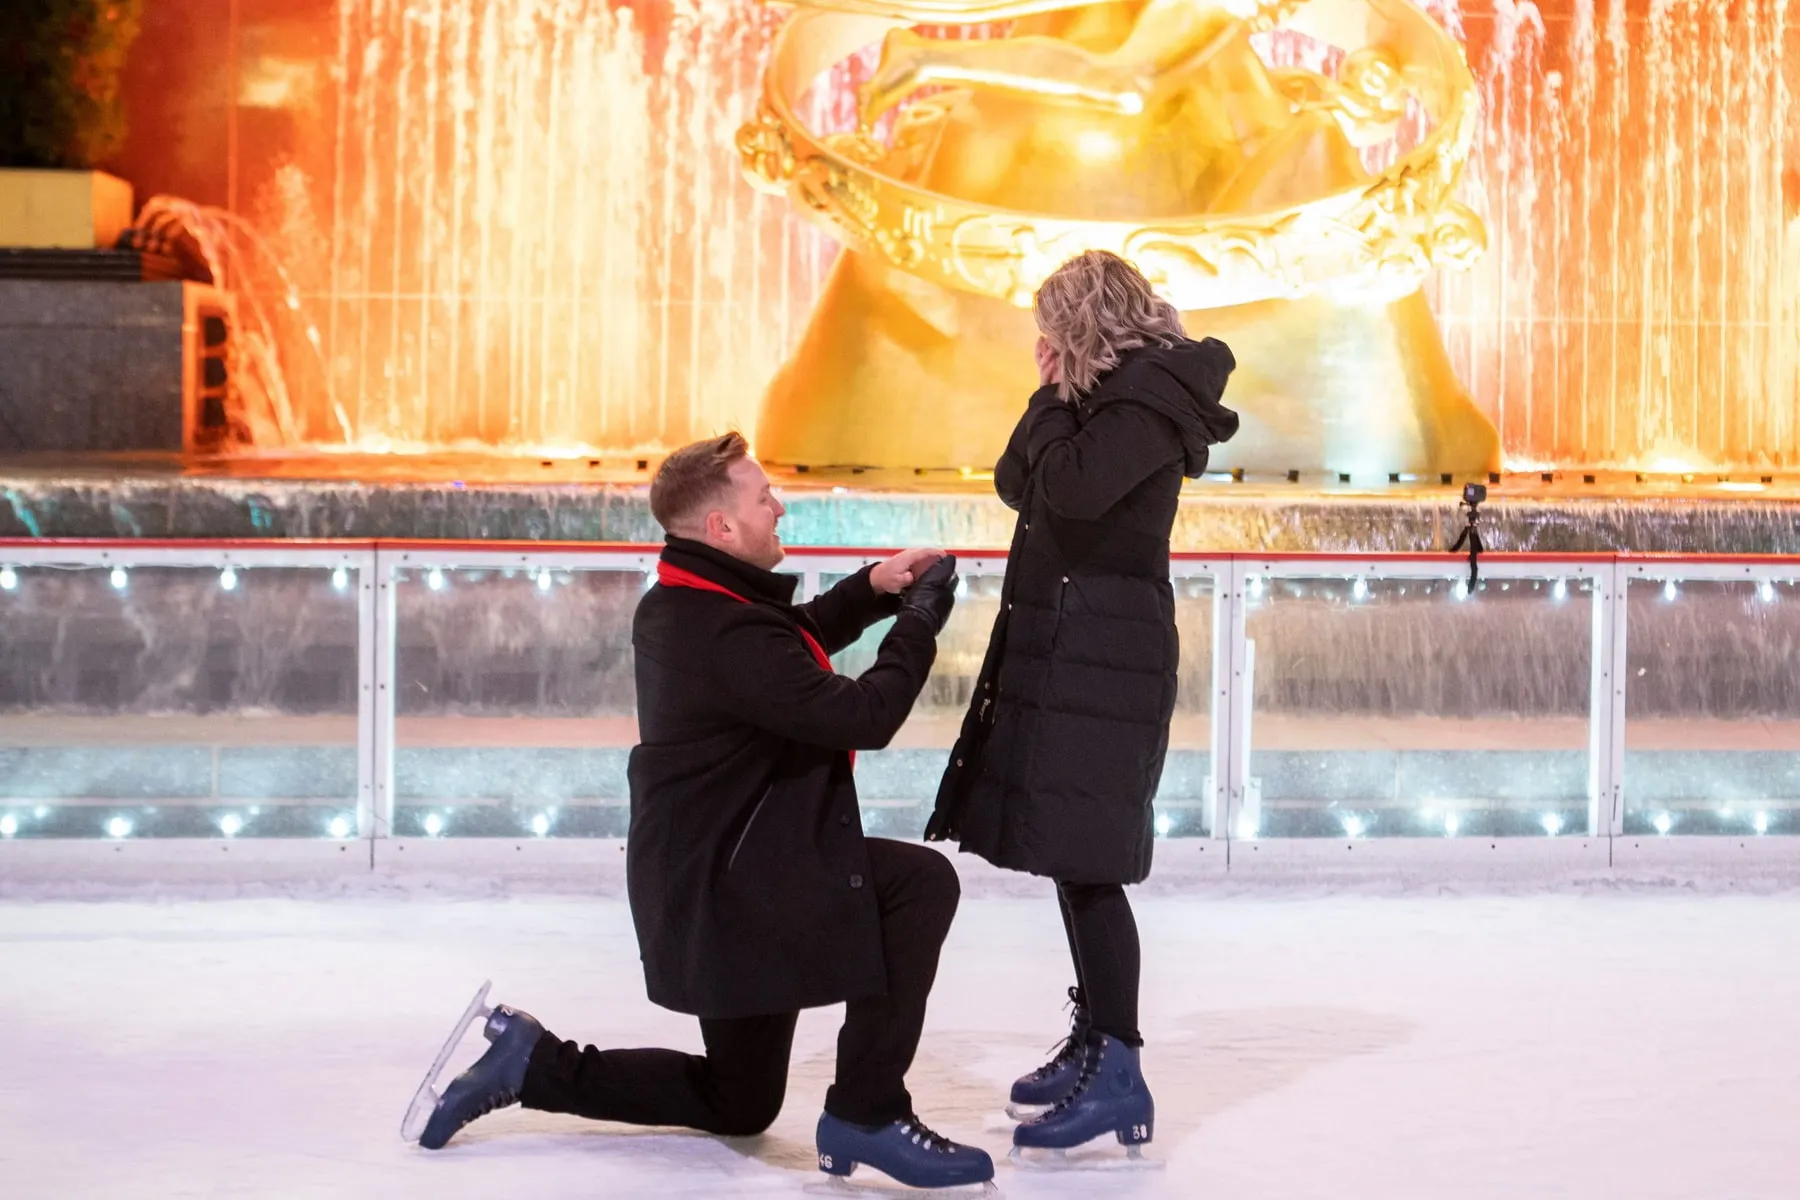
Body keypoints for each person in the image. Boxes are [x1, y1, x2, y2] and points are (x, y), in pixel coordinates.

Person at [408, 432, 992, 1191]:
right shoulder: (721, 628)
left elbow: (785, 648)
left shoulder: (690, 601)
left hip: (719, 873)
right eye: (764, 497)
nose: (779, 507)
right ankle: (867, 1113)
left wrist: (872, 589)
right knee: (918, 884)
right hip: (737, 887)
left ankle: (532, 1064)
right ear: (721, 526)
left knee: (740, 1099)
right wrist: (919, 619)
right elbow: (862, 716)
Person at [926, 250, 1238, 1155]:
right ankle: (1098, 1040)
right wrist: (1053, 395)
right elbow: (1013, 482)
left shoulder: (1146, 402)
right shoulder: (1103, 402)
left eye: (1053, 333)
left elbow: (1066, 488)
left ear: (1080, 325)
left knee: (1092, 863)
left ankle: (1120, 1069)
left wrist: (1052, 394)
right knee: (1072, 854)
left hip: (1107, 659)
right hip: (1075, 652)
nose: (1045, 348)